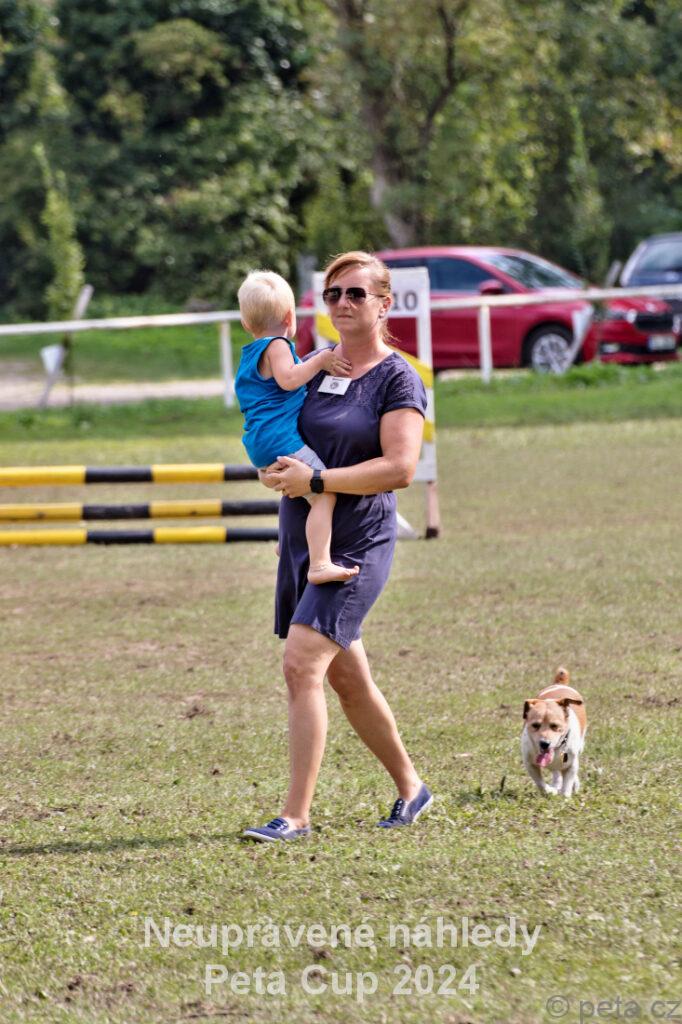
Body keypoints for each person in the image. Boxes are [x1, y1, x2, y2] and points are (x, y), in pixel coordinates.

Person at [242, 251, 432, 843]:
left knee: (301, 663)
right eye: (332, 294)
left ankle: (295, 815)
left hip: (358, 538)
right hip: (304, 534)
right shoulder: (316, 366)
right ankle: (412, 788)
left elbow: (400, 468)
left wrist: (318, 481)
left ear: (384, 304)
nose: (342, 303)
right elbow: (286, 434)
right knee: (349, 681)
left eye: (355, 293)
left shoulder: (398, 378)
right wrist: (277, 476)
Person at [235, 270, 359, 584]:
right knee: (322, 493)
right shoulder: (277, 345)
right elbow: (289, 379)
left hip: (259, 440)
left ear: (246, 323)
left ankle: (286, 541)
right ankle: (320, 563)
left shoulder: (249, 356)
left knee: (294, 488)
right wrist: (320, 361)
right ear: (290, 317)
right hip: (280, 439)